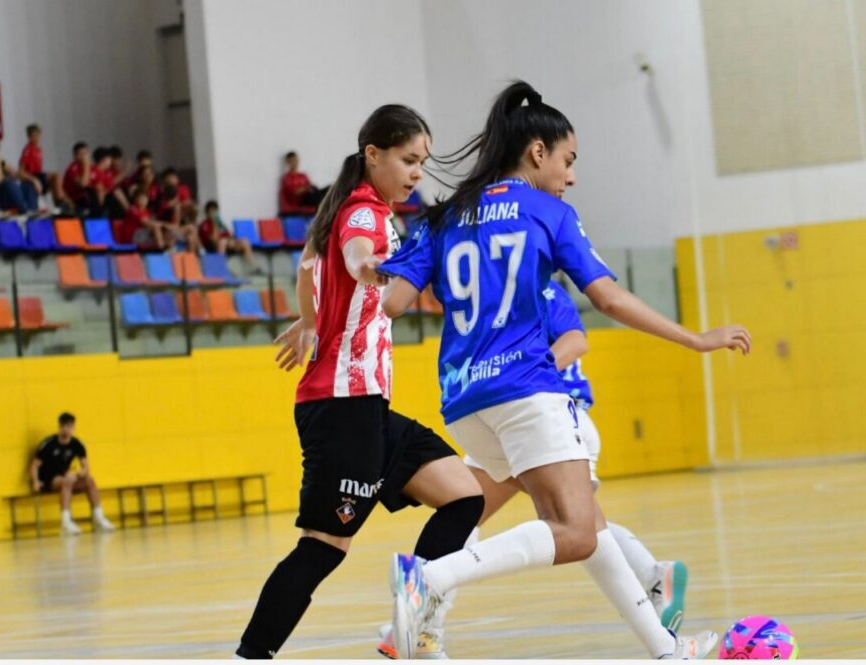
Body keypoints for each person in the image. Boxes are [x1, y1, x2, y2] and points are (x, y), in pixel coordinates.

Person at [380, 80, 750, 660]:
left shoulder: (444, 216)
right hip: (527, 391)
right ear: (537, 153)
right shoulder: (549, 212)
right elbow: (607, 299)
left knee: (590, 525)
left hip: (465, 401)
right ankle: (433, 579)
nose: (571, 175)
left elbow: (393, 302)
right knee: (573, 531)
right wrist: (694, 339)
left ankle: (667, 650)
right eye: (568, 160)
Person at [234, 105, 484, 660]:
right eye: (408, 159)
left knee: (465, 497)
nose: (417, 172)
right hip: (343, 407)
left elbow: (305, 268)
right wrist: (370, 270)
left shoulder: (343, 207)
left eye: (422, 162)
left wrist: (310, 320)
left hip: (365, 407)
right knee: (323, 547)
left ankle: (409, 626)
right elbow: (354, 256)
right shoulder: (366, 214)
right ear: (373, 154)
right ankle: (251, 656)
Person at [375, 278, 689, 658]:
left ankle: (424, 618)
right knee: (566, 523)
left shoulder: (538, 287)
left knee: (564, 526)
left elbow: (577, 341)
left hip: (546, 416)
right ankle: (655, 587)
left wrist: (527, 374)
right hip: (522, 416)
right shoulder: (494, 297)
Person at [28, 412, 116, 536]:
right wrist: (35, 481)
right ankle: (66, 522)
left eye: (69, 426)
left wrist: (78, 474)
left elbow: (86, 468)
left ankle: (99, 518)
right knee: (66, 481)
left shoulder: (77, 444)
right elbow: (34, 465)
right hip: (48, 479)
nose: (66, 429)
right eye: (63, 426)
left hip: (66, 476)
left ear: (73, 428)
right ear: (59, 427)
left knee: (89, 481)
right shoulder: (48, 444)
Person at [198, 200, 262, 274]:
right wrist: (214, 224)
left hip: (226, 245)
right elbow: (213, 240)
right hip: (213, 247)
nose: (214, 213)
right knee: (223, 242)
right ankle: (221, 269)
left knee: (245, 241)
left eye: (215, 211)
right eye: (211, 211)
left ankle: (254, 267)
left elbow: (230, 236)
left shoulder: (220, 223)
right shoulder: (204, 225)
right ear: (207, 212)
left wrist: (232, 241)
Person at [18, 124, 71, 212]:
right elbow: (21, 171)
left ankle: (59, 206)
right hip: (33, 176)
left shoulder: (38, 149)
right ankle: (60, 203)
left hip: (39, 175)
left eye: (37, 135)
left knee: (57, 183)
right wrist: (33, 180)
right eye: (33, 136)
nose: (36, 138)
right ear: (29, 137)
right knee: (56, 176)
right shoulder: (28, 150)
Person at [0, 139, 38, 214]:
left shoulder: (1, 163)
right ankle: (26, 211)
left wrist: (33, 180)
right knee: (9, 184)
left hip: (7, 194)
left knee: (28, 185)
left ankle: (33, 213)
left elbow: (16, 173)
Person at [155, 168, 198, 251]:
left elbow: (177, 223)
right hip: (167, 231)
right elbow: (167, 224)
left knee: (191, 235)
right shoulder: (163, 206)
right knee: (185, 229)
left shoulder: (177, 206)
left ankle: (192, 258)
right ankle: (167, 251)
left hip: (175, 229)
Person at [279, 150, 326, 215]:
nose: (295, 162)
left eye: (296, 160)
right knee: (315, 196)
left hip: (309, 197)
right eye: (292, 160)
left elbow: (311, 187)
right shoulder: (287, 177)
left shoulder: (303, 175)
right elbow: (295, 193)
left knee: (328, 189)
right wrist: (306, 188)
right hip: (300, 201)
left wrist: (306, 188)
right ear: (288, 162)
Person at [63, 142, 103, 216]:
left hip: (91, 201)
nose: (84, 157)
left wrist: (100, 206)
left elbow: (99, 187)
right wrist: (86, 165)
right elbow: (83, 184)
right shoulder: (72, 168)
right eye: (81, 154)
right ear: (75, 156)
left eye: (85, 153)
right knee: (88, 191)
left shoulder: (94, 168)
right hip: (75, 199)